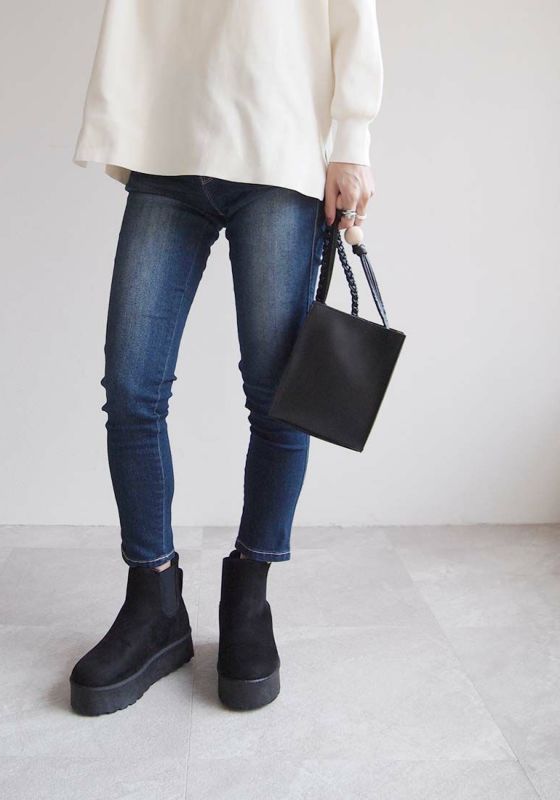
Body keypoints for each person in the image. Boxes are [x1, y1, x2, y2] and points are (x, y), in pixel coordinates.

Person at [68, 0, 383, 715]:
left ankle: (249, 597)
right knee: (131, 389)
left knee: (277, 398)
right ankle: (153, 603)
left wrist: (352, 138)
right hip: (168, 139)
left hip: (279, 141)